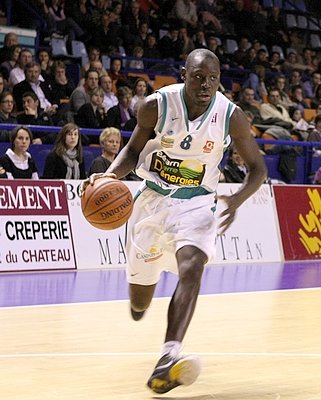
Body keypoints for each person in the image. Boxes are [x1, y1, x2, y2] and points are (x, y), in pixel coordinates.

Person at [80, 49, 267, 394]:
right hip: (151, 201)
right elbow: (134, 151)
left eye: (212, 78)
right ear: (183, 75)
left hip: (197, 203)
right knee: (139, 304)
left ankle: (168, 356)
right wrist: (108, 177)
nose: (205, 85)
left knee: (193, 266)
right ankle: (140, 300)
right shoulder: (155, 106)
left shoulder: (231, 115)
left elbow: (259, 168)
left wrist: (237, 200)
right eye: (198, 77)